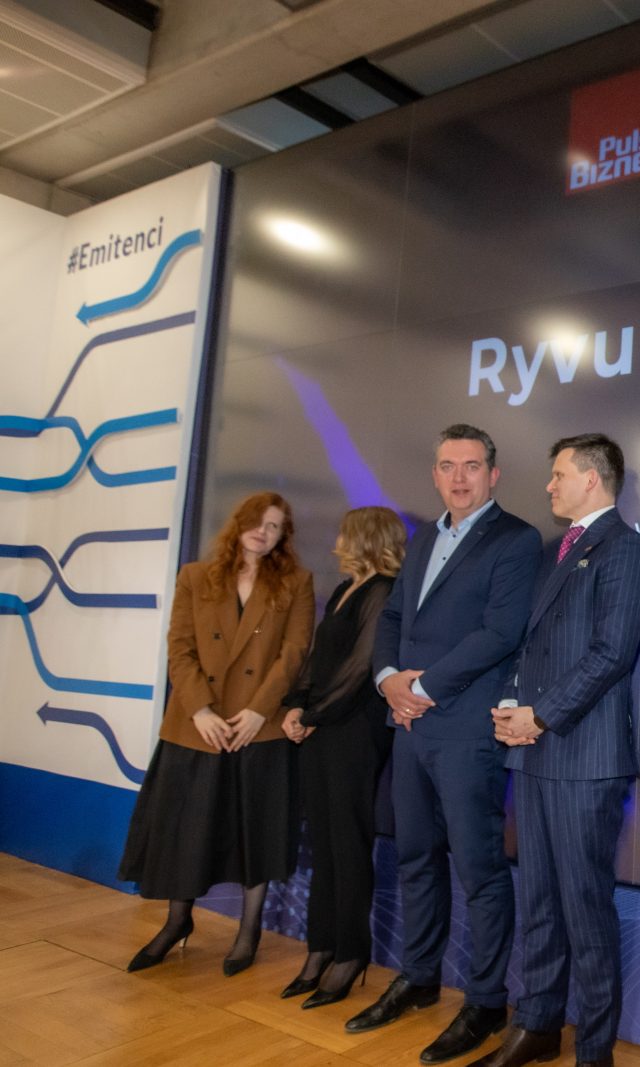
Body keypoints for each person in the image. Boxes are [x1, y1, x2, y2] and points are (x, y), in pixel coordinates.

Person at [345, 424, 540, 1066]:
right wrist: (387, 680)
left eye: (472, 466)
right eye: (448, 466)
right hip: (409, 727)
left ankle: (484, 1002)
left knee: (479, 871)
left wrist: (420, 687)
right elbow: (393, 618)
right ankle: (420, 976)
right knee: (415, 859)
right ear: (434, 474)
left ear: (494, 474)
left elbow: (500, 633)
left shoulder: (515, 539)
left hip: (464, 731)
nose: (459, 477)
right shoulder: (426, 536)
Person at [470, 433, 640, 1067]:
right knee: (539, 902)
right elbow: (530, 649)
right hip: (535, 753)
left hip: (585, 757)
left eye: (558, 475)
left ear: (592, 479)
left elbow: (611, 654)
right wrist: (511, 708)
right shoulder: (557, 551)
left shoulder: (624, 549)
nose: (548, 485)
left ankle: (594, 1051)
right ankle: (537, 1025)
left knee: (584, 909)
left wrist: (541, 715)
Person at [120, 491, 315, 976]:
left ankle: (248, 932)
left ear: (283, 536)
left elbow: (294, 654)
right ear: (239, 523)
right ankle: (176, 922)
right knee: (186, 831)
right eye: (257, 521)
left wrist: (257, 712)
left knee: (256, 831)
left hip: (258, 729)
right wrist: (201, 711)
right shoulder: (195, 577)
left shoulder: (296, 582)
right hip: (197, 727)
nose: (263, 532)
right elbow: (180, 648)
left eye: (274, 526)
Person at [279, 506, 408, 1009]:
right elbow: (319, 660)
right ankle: (321, 948)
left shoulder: (383, 591)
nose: (337, 541)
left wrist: (313, 714)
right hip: (322, 728)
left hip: (355, 732)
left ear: (365, 538)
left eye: (345, 533)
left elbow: (361, 669)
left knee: (349, 843)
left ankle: (351, 954)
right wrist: (296, 705)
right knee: (325, 844)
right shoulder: (343, 589)